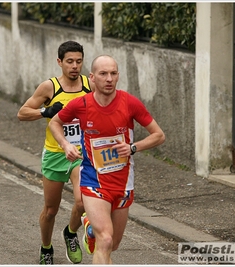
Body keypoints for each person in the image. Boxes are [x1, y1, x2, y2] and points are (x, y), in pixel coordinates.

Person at [49, 55, 165, 264]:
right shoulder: (81, 104)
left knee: (114, 244)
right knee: (106, 239)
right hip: (94, 181)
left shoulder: (130, 103)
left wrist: (132, 147)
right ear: (92, 78)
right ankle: (96, 230)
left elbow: (158, 135)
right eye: (103, 74)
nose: (109, 78)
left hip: (123, 183)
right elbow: (55, 123)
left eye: (113, 73)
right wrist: (66, 145)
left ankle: (91, 229)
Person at [17, 40, 94, 265]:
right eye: (69, 61)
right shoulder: (49, 87)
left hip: (80, 153)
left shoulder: (90, 85)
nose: (75, 66)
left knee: (82, 202)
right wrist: (46, 111)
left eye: (79, 61)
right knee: (51, 210)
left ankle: (71, 233)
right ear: (59, 62)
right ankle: (46, 248)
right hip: (54, 153)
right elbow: (22, 113)